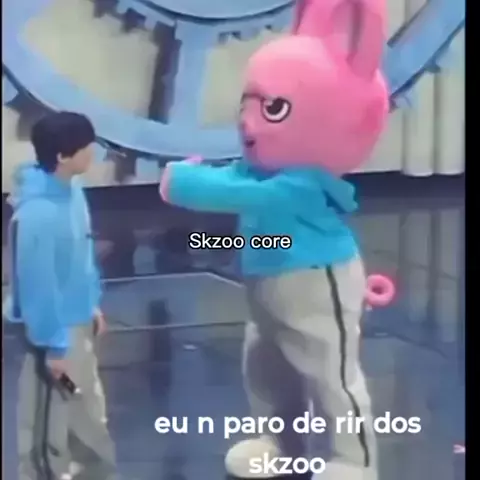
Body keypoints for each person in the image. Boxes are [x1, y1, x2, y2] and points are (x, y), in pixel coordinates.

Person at [159, 0, 394, 479]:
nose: (248, 122)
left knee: (331, 374)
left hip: (316, 281)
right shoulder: (261, 172)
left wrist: (182, 182)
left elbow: (239, 194)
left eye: (272, 108)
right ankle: (280, 443)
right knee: (267, 366)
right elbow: (253, 216)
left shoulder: (299, 184)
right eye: (247, 105)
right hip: (269, 287)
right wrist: (214, 247)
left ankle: (355, 460)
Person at [5, 112, 117, 480]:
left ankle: (92, 472)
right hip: (55, 338)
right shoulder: (37, 216)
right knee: (51, 416)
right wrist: (54, 348)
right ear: (63, 157)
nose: (93, 152)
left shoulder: (73, 193)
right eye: (86, 147)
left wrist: (91, 303)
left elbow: (80, 258)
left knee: (84, 406)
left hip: (77, 327)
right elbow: (39, 287)